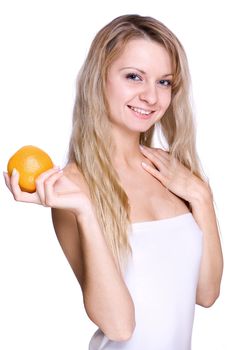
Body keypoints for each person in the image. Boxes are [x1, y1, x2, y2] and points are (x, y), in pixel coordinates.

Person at [4, 14, 223, 350]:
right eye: (134, 77)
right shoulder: (74, 189)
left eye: (164, 82)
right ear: (99, 78)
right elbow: (119, 327)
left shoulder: (173, 174)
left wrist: (202, 197)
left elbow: (206, 294)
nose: (151, 96)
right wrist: (87, 213)